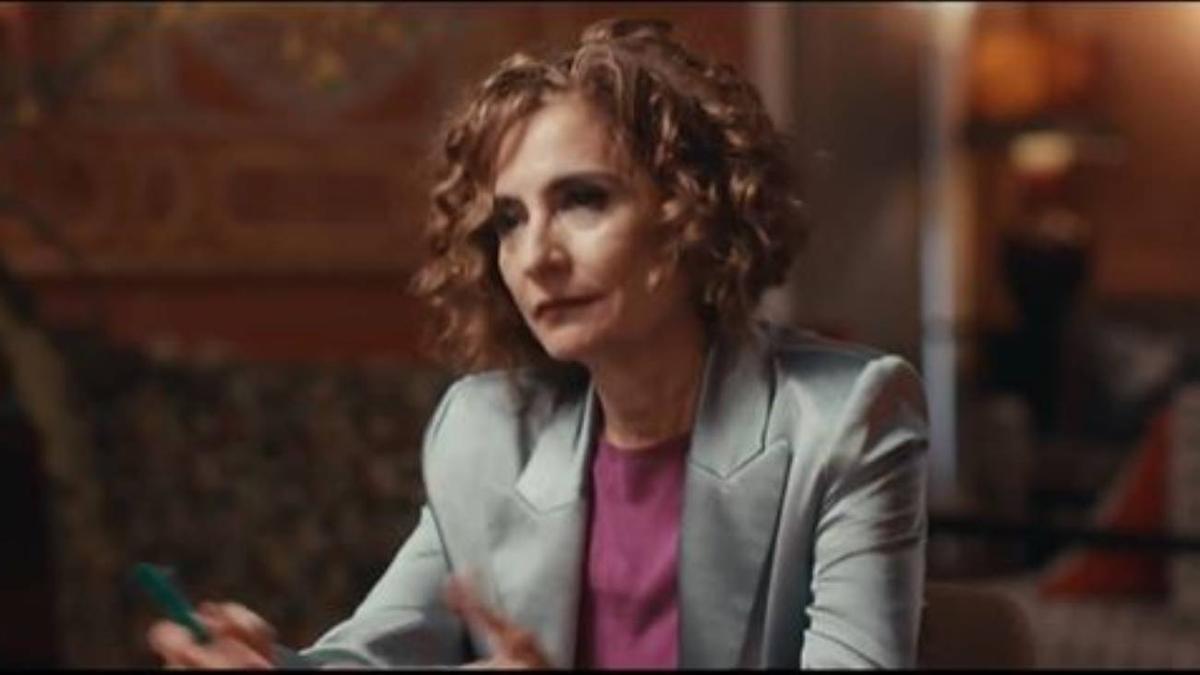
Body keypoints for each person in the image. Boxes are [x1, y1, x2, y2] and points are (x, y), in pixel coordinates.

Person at [147, 17, 928, 669]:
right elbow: (376, 652)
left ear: (692, 211)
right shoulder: (485, 431)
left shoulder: (846, 419)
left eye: (583, 199)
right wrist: (273, 665)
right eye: (510, 220)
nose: (535, 256)